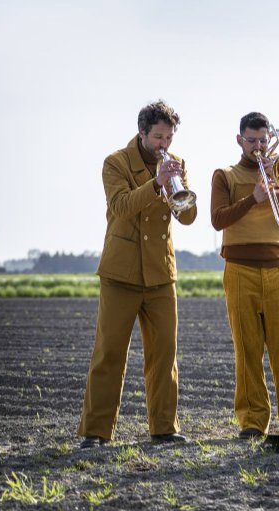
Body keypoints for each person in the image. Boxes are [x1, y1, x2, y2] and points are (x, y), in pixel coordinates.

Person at [77, 100, 197, 448]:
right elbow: (121, 206)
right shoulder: (115, 162)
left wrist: (177, 186)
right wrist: (157, 184)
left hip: (161, 273)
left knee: (164, 354)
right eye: (158, 136)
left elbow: (187, 218)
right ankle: (96, 432)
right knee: (109, 353)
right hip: (121, 273)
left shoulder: (177, 164)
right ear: (142, 132)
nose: (164, 144)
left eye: (169, 137)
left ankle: (164, 428)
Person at [210, 111, 279, 439]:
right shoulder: (224, 175)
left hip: (277, 268)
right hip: (239, 269)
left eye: (263, 141)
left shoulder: (278, 171)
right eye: (251, 140)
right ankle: (253, 421)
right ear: (239, 140)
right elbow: (218, 219)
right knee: (248, 348)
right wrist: (252, 197)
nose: (258, 146)